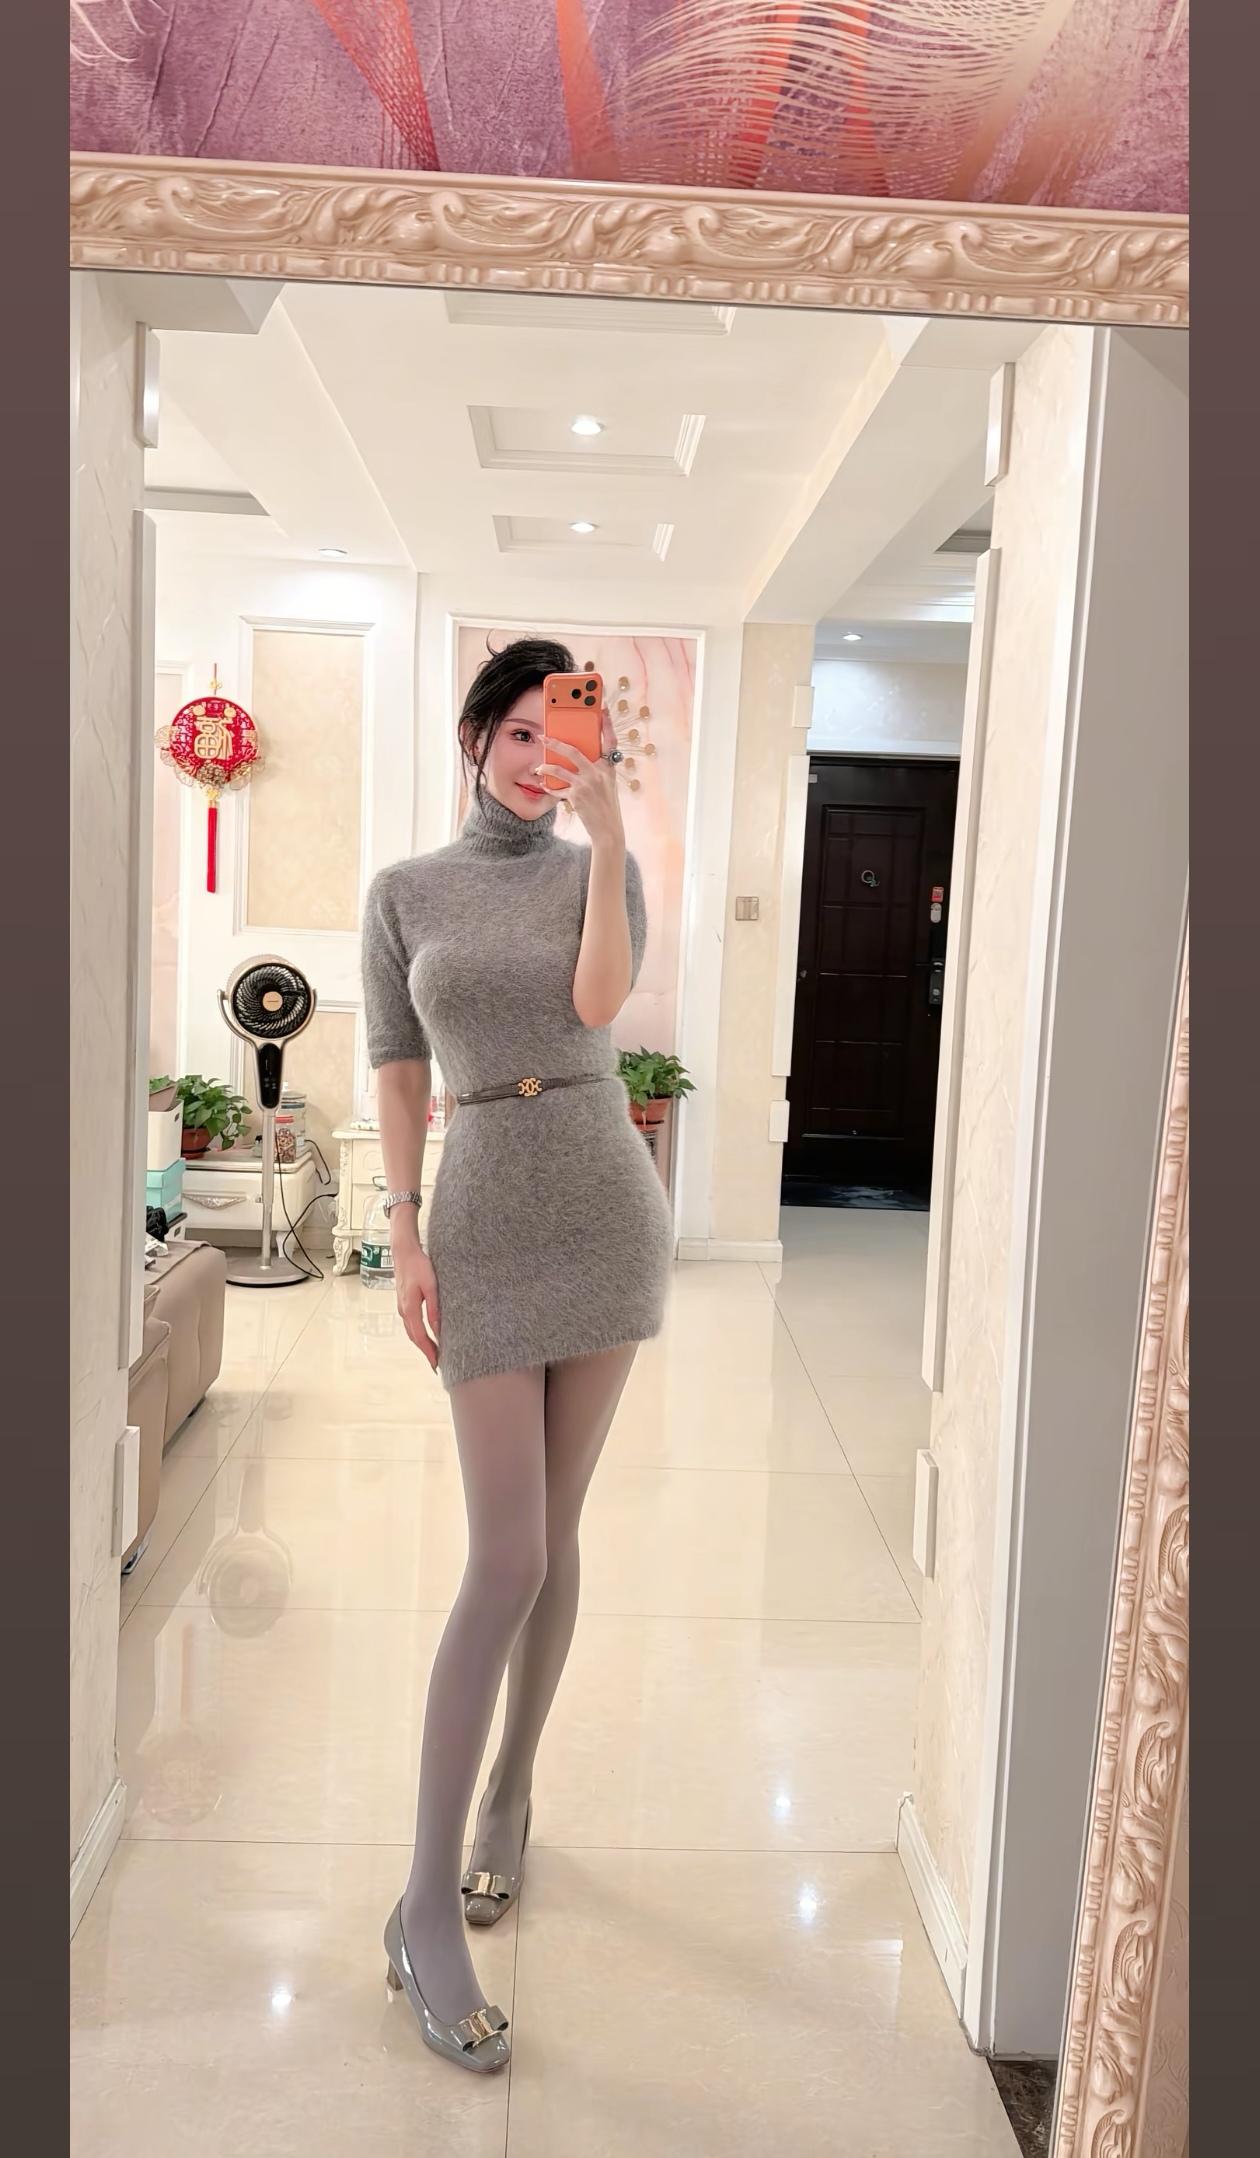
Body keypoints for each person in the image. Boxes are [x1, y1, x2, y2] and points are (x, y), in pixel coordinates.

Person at [361, 636, 674, 2074]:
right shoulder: (405, 891)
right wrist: (402, 1228)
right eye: (526, 734)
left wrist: (606, 841)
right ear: (481, 733)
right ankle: (424, 1907)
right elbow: (396, 1068)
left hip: (603, 1203)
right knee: (507, 1557)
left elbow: (601, 1005)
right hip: (483, 1209)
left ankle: (508, 1798)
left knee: (554, 1536)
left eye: (571, 737)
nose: (548, 758)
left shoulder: (602, 865)